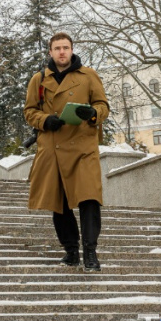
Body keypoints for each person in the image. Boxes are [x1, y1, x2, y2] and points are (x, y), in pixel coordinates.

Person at [23, 32, 110, 272]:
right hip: (53, 147)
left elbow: (103, 105)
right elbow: (29, 111)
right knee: (59, 202)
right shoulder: (39, 79)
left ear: (72, 50)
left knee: (89, 198)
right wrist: (44, 120)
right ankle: (71, 251)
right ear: (50, 52)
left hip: (83, 147)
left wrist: (93, 114)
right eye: (57, 48)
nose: (62, 52)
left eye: (66, 47)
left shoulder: (88, 75)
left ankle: (90, 253)